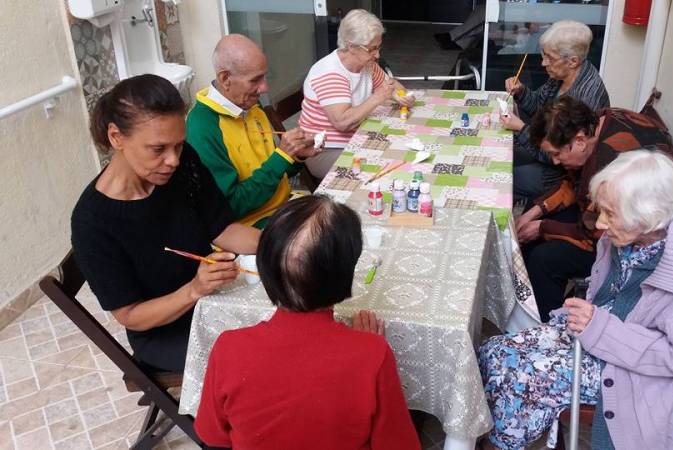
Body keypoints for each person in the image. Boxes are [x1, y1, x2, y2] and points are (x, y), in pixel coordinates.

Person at [479, 150, 673, 450]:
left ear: (648, 217)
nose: (599, 225)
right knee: (494, 351)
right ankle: (501, 433)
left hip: (635, 371)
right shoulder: (645, 229)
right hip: (603, 334)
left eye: (611, 214)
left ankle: (500, 444)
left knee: (522, 377)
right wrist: (592, 321)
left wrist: (600, 326)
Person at [194, 195, 421, 449]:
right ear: (345, 274)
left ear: (265, 270)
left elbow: (213, 435)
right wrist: (365, 349)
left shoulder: (228, 347)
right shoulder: (373, 354)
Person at [71, 75, 261, 373]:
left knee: (296, 315)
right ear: (116, 137)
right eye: (158, 149)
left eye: (179, 146)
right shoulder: (93, 221)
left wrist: (283, 242)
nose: (172, 160)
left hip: (210, 299)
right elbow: (130, 314)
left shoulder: (182, 165)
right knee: (263, 355)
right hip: (165, 331)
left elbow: (223, 229)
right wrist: (194, 289)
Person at [516, 96, 673, 319]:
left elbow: (595, 233)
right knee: (532, 226)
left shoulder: (610, 164)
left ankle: (547, 325)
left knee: (544, 259)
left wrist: (542, 227)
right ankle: (525, 310)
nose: (554, 161)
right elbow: (574, 184)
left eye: (556, 153)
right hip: (613, 215)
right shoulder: (603, 119)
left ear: (580, 140)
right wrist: (538, 211)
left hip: (637, 243)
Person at [186, 34, 319, 229]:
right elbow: (230, 207)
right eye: (255, 80)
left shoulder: (249, 107)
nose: (264, 88)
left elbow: (270, 174)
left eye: (265, 76)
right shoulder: (203, 126)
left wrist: (295, 155)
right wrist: (282, 157)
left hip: (281, 208)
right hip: (250, 225)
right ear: (225, 78)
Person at [502, 20, 610, 207]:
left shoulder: (584, 97)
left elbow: (557, 155)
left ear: (573, 61)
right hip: (546, 151)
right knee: (503, 154)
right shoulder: (561, 75)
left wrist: (520, 128)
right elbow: (539, 106)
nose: (544, 63)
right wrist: (522, 92)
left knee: (503, 177)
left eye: (549, 58)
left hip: (561, 173)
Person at [298, 9, 415, 179]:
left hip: (357, 138)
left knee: (403, 150)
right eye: (372, 49)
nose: (378, 54)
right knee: (386, 170)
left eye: (379, 47)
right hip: (326, 149)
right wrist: (378, 97)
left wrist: (402, 96)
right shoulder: (330, 73)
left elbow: (392, 85)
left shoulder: (365, 64)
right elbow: (343, 122)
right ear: (351, 46)